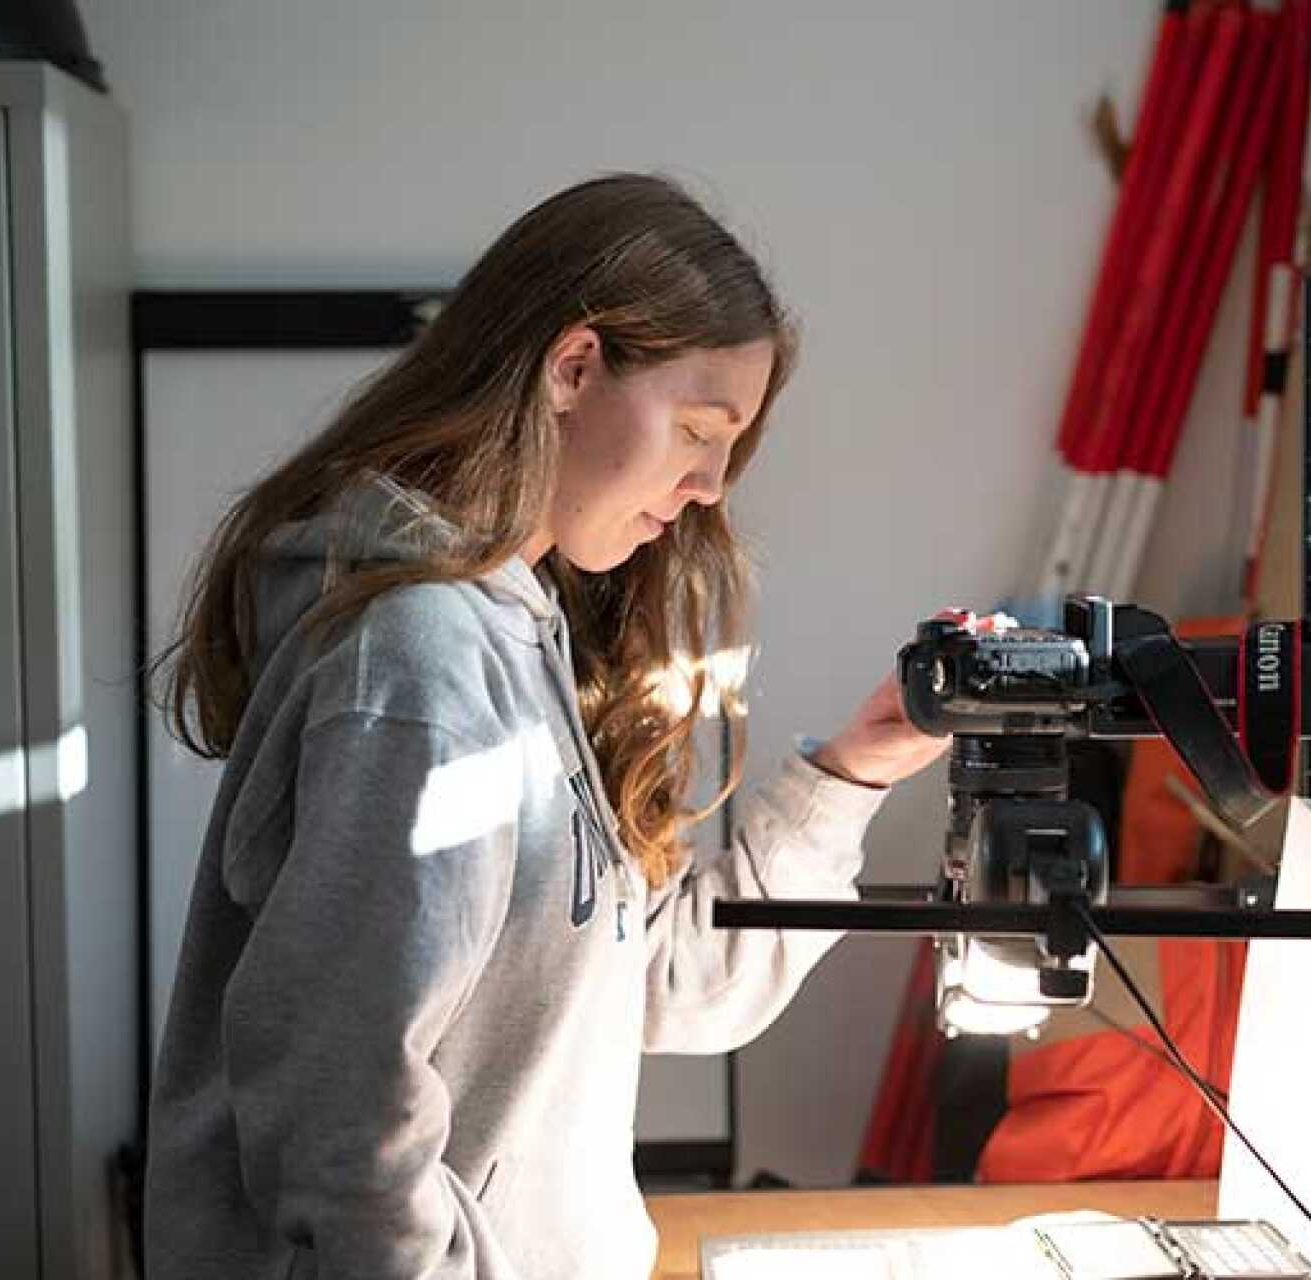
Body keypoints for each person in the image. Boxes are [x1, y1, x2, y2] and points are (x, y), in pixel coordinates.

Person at [144, 173, 947, 1279]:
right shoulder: (421, 661)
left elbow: (651, 982)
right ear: (573, 368)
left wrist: (856, 768)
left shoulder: (519, 632)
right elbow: (341, 1110)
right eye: (702, 430)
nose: (712, 484)